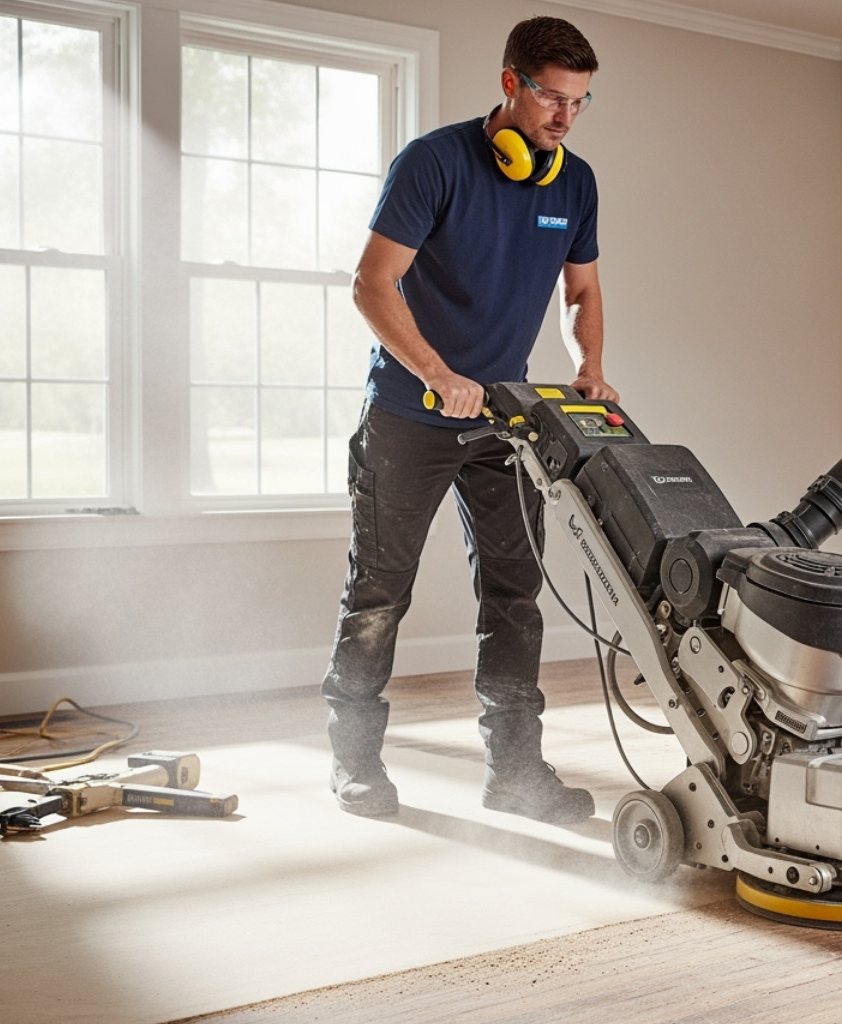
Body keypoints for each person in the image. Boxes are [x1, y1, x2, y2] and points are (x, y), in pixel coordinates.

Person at [320, 16, 614, 822]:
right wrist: (439, 374)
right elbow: (372, 285)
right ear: (510, 83)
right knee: (378, 594)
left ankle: (514, 774)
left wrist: (589, 365)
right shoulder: (434, 162)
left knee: (517, 594)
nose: (563, 118)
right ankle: (353, 765)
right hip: (408, 414)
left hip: (503, 421)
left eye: (579, 103)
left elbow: (580, 292)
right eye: (551, 98)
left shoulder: (574, 182)